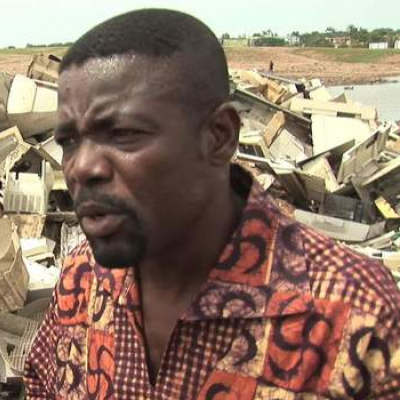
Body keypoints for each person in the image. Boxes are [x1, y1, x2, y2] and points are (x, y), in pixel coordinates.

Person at [24, 9, 400, 399]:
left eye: (123, 133)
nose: (82, 167)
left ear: (219, 137)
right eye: (69, 141)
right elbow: (41, 384)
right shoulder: (84, 275)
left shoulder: (353, 312)